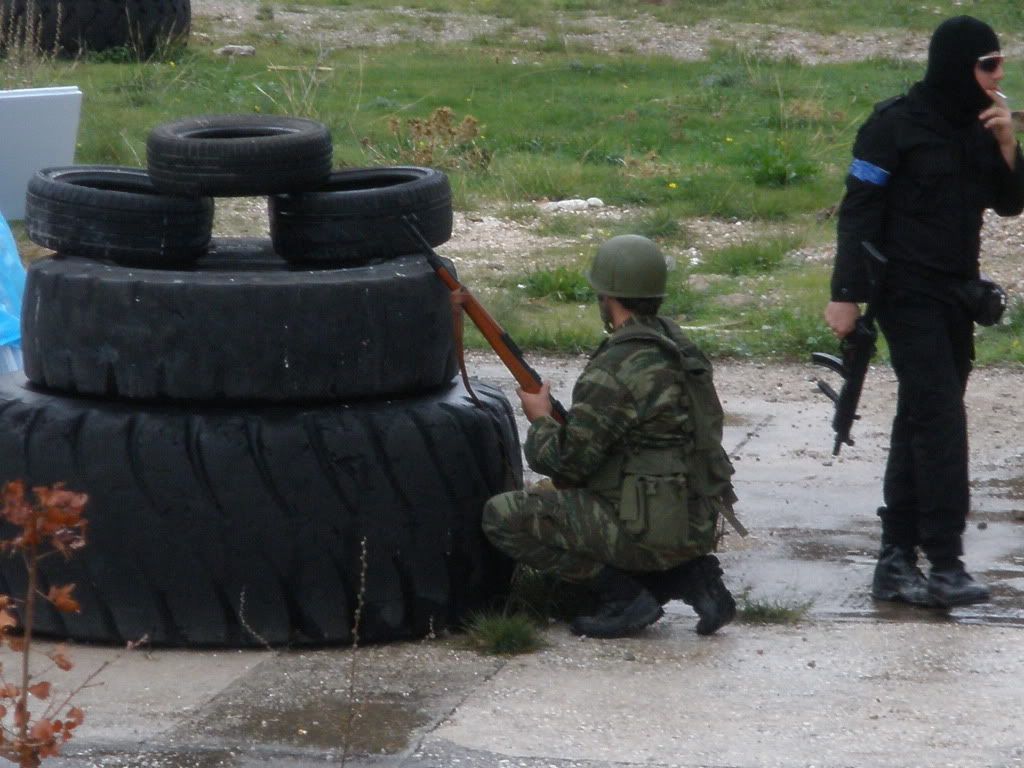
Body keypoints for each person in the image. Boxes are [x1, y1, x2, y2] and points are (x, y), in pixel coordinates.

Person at [825, 15, 1024, 608]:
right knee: (939, 419)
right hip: (904, 293)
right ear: (958, 66)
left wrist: (1008, 145)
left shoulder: (982, 126)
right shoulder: (894, 125)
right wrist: (845, 294)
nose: (999, 75)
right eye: (988, 65)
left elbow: (1010, 205)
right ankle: (944, 561)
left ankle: (894, 559)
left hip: (957, 295)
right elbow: (858, 209)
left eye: (1000, 63)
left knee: (921, 415)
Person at [482, 234, 738, 638]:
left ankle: (624, 597)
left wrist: (540, 419)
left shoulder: (617, 364)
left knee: (502, 516)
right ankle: (689, 575)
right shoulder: (677, 345)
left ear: (607, 296)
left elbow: (566, 463)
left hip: (648, 527)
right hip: (696, 519)